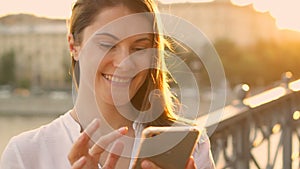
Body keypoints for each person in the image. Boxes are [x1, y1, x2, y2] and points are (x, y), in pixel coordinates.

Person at [0, 0, 216, 169]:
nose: (124, 63)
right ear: (74, 45)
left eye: (139, 48)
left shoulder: (188, 147)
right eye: (107, 44)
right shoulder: (25, 154)